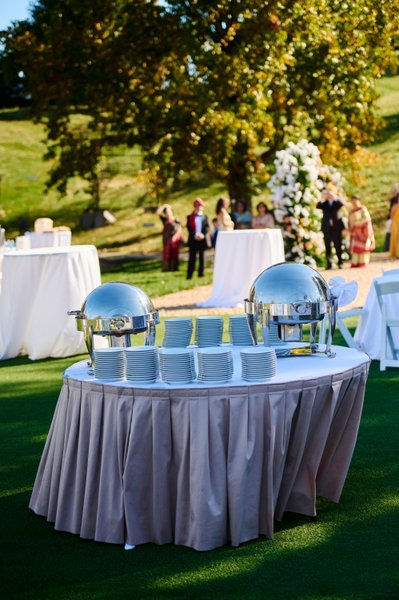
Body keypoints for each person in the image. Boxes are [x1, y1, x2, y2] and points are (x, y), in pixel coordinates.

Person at [316, 185, 345, 269]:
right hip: (327, 228)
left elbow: (341, 204)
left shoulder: (336, 203)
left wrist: (334, 197)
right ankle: (329, 263)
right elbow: (318, 206)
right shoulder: (324, 203)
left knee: (338, 245)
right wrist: (322, 197)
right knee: (327, 246)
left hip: (336, 227)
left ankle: (340, 262)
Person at [186, 197, 210, 279]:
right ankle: (189, 275)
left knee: (202, 258)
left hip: (202, 240)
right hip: (193, 239)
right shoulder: (190, 217)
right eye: (196, 206)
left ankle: (201, 273)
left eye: (199, 206)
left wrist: (202, 234)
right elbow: (189, 228)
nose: (197, 207)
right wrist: (195, 235)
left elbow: (207, 227)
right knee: (191, 258)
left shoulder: (205, 217)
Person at [348, 194, 375, 267]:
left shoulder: (363, 209)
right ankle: (355, 262)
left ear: (359, 201)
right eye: (353, 201)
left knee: (363, 247)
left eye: (355, 201)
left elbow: (367, 219)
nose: (354, 203)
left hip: (363, 231)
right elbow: (349, 221)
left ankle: (362, 262)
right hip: (355, 232)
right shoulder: (351, 211)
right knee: (355, 247)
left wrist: (358, 223)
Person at [156, 203, 182, 271]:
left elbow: (179, 229)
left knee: (174, 254)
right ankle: (166, 269)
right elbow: (157, 213)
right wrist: (164, 206)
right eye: (166, 212)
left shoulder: (176, 220)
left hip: (174, 240)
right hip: (166, 240)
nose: (168, 213)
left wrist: (175, 236)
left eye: (169, 211)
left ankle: (174, 269)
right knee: (166, 255)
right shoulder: (165, 220)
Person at [384, 183, 399, 251]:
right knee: (389, 234)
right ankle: (387, 248)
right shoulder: (393, 200)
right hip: (392, 220)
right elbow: (387, 198)